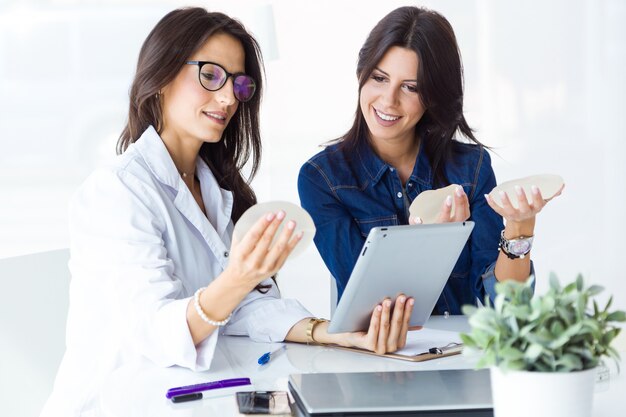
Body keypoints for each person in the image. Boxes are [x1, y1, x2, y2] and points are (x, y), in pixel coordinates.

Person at [42, 8, 414, 417]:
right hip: (120, 403)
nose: (227, 98)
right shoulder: (116, 192)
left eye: (237, 83)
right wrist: (239, 277)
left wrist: (333, 333)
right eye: (210, 75)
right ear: (162, 75)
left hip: (195, 398)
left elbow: (252, 309)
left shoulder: (218, 190)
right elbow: (156, 331)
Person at [298, 6, 563, 313]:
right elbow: (370, 303)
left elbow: (506, 308)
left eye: (410, 87)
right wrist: (430, 243)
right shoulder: (322, 178)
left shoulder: (470, 169)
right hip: (377, 357)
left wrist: (519, 228)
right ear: (361, 74)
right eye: (379, 78)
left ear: (433, 95)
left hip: (458, 355)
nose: (388, 100)